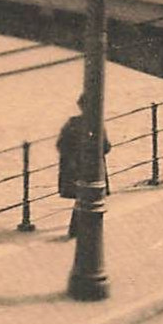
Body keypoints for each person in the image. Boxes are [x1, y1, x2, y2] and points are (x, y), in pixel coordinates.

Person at [56, 96, 111, 237]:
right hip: (93, 166)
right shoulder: (97, 124)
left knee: (81, 197)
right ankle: (81, 230)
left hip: (75, 166)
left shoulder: (73, 123)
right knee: (91, 197)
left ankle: (75, 230)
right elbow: (106, 147)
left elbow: (61, 145)